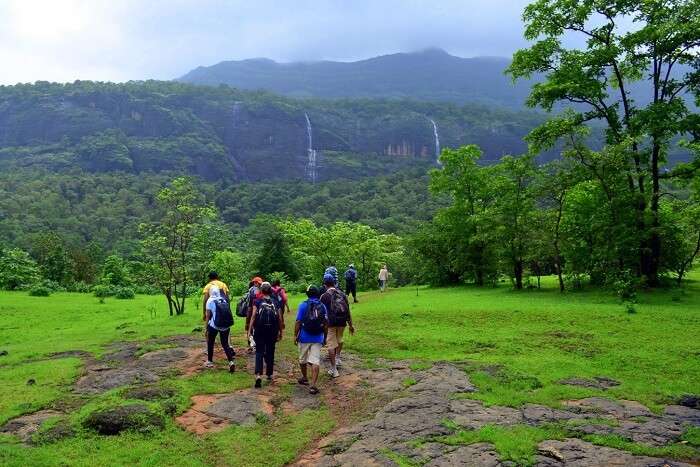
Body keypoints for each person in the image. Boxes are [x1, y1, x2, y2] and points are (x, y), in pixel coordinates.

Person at [247, 281, 283, 388]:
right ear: (270, 290)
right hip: (272, 330)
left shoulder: (257, 301)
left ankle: (258, 375)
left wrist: (249, 330)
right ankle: (269, 374)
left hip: (259, 329)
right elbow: (280, 318)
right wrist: (280, 331)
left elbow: (253, 316)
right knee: (270, 350)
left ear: (261, 290)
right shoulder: (275, 302)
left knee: (259, 351)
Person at [295, 285, 328, 395]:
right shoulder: (322, 306)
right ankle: (313, 385)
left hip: (304, 337)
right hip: (318, 337)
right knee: (315, 361)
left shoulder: (303, 305)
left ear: (307, 294)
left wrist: (295, 335)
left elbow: (298, 322)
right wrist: (325, 337)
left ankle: (304, 377)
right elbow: (326, 324)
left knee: (302, 360)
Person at [320, 274, 355, 378]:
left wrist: (321, 326)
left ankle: (334, 369)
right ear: (334, 282)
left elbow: (321, 312)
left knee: (331, 344)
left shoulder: (324, 296)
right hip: (342, 321)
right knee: (339, 339)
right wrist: (350, 324)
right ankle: (338, 358)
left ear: (325, 283)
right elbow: (347, 310)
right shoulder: (342, 294)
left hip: (331, 323)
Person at [203, 286, 236, 372]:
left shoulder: (209, 301)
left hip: (215, 325)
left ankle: (210, 361)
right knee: (225, 344)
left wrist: (206, 327)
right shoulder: (223, 299)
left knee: (210, 342)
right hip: (226, 325)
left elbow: (208, 316)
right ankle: (231, 362)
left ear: (210, 292)